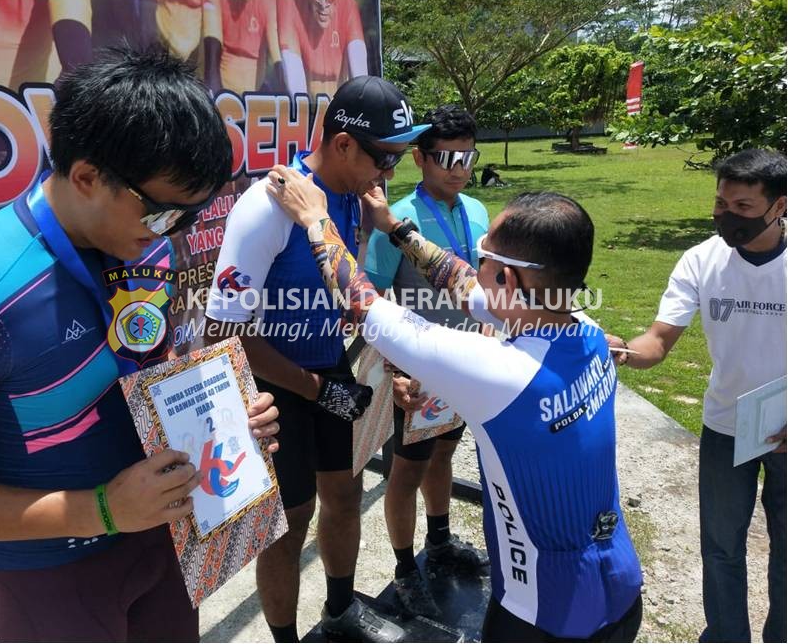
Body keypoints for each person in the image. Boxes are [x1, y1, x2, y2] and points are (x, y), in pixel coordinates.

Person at [0, 45, 280, 643]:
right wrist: (101, 510)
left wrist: (226, 416)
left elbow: (147, 375)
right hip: (49, 574)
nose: (177, 234)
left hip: (162, 539)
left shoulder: (146, 241)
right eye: (166, 214)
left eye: (194, 216)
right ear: (86, 175)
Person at [266, 167, 645, 642]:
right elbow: (462, 280)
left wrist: (314, 217)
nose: (474, 261)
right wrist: (395, 227)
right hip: (618, 587)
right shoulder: (584, 331)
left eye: (483, 254)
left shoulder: (497, 371)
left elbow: (363, 305)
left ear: (506, 276)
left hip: (543, 615)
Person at [205, 75, 428, 643]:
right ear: (344, 144)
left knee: (345, 495)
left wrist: (373, 365)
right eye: (387, 157)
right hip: (273, 384)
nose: (390, 174)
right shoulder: (269, 206)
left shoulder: (349, 201)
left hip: (326, 370)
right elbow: (222, 334)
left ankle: (339, 609)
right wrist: (312, 388)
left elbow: (347, 298)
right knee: (289, 521)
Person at [608, 148, 786, 643]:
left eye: (743, 208)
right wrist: (619, 350)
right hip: (728, 425)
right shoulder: (702, 259)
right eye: (721, 204)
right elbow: (659, 341)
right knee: (721, 546)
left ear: (780, 206)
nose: (728, 217)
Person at [363, 104, 490, 617]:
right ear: (419, 158)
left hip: (464, 363)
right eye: (446, 157)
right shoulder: (396, 221)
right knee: (404, 473)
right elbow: (369, 299)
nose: (458, 167)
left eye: (467, 156)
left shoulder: (477, 210)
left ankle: (438, 542)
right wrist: (395, 369)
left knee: (444, 457)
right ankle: (403, 568)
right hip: (416, 373)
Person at [276, 0, 367, 97]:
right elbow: (293, 68)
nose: (323, 4)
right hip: (306, 104)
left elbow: (360, 73)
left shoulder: (347, 1)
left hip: (339, 106)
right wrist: (304, 110)